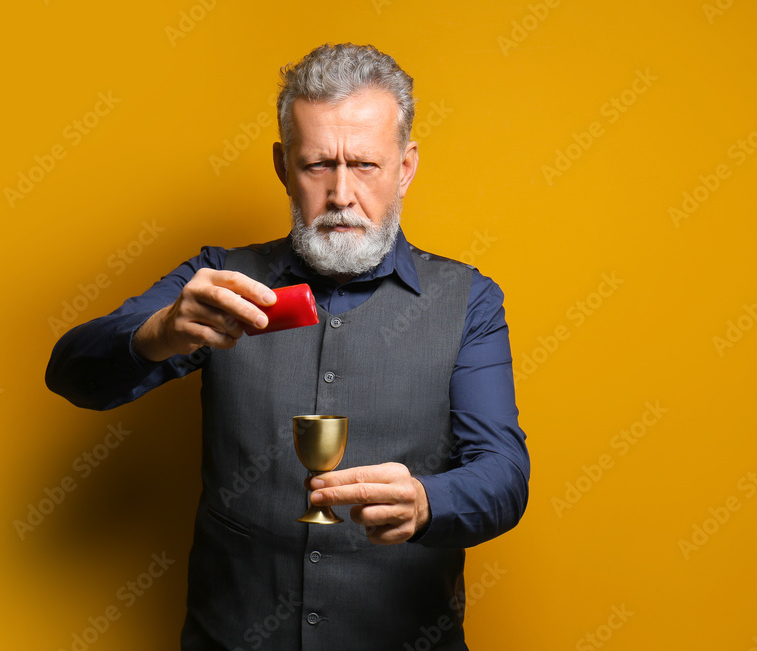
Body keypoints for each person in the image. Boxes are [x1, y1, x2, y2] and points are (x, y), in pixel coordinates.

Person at [46, 42, 530, 651]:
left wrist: (430, 501)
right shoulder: (217, 281)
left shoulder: (470, 301)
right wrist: (157, 332)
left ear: (406, 167)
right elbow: (71, 374)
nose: (342, 195)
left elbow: (505, 475)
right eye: (318, 165)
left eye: (367, 166)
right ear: (282, 165)